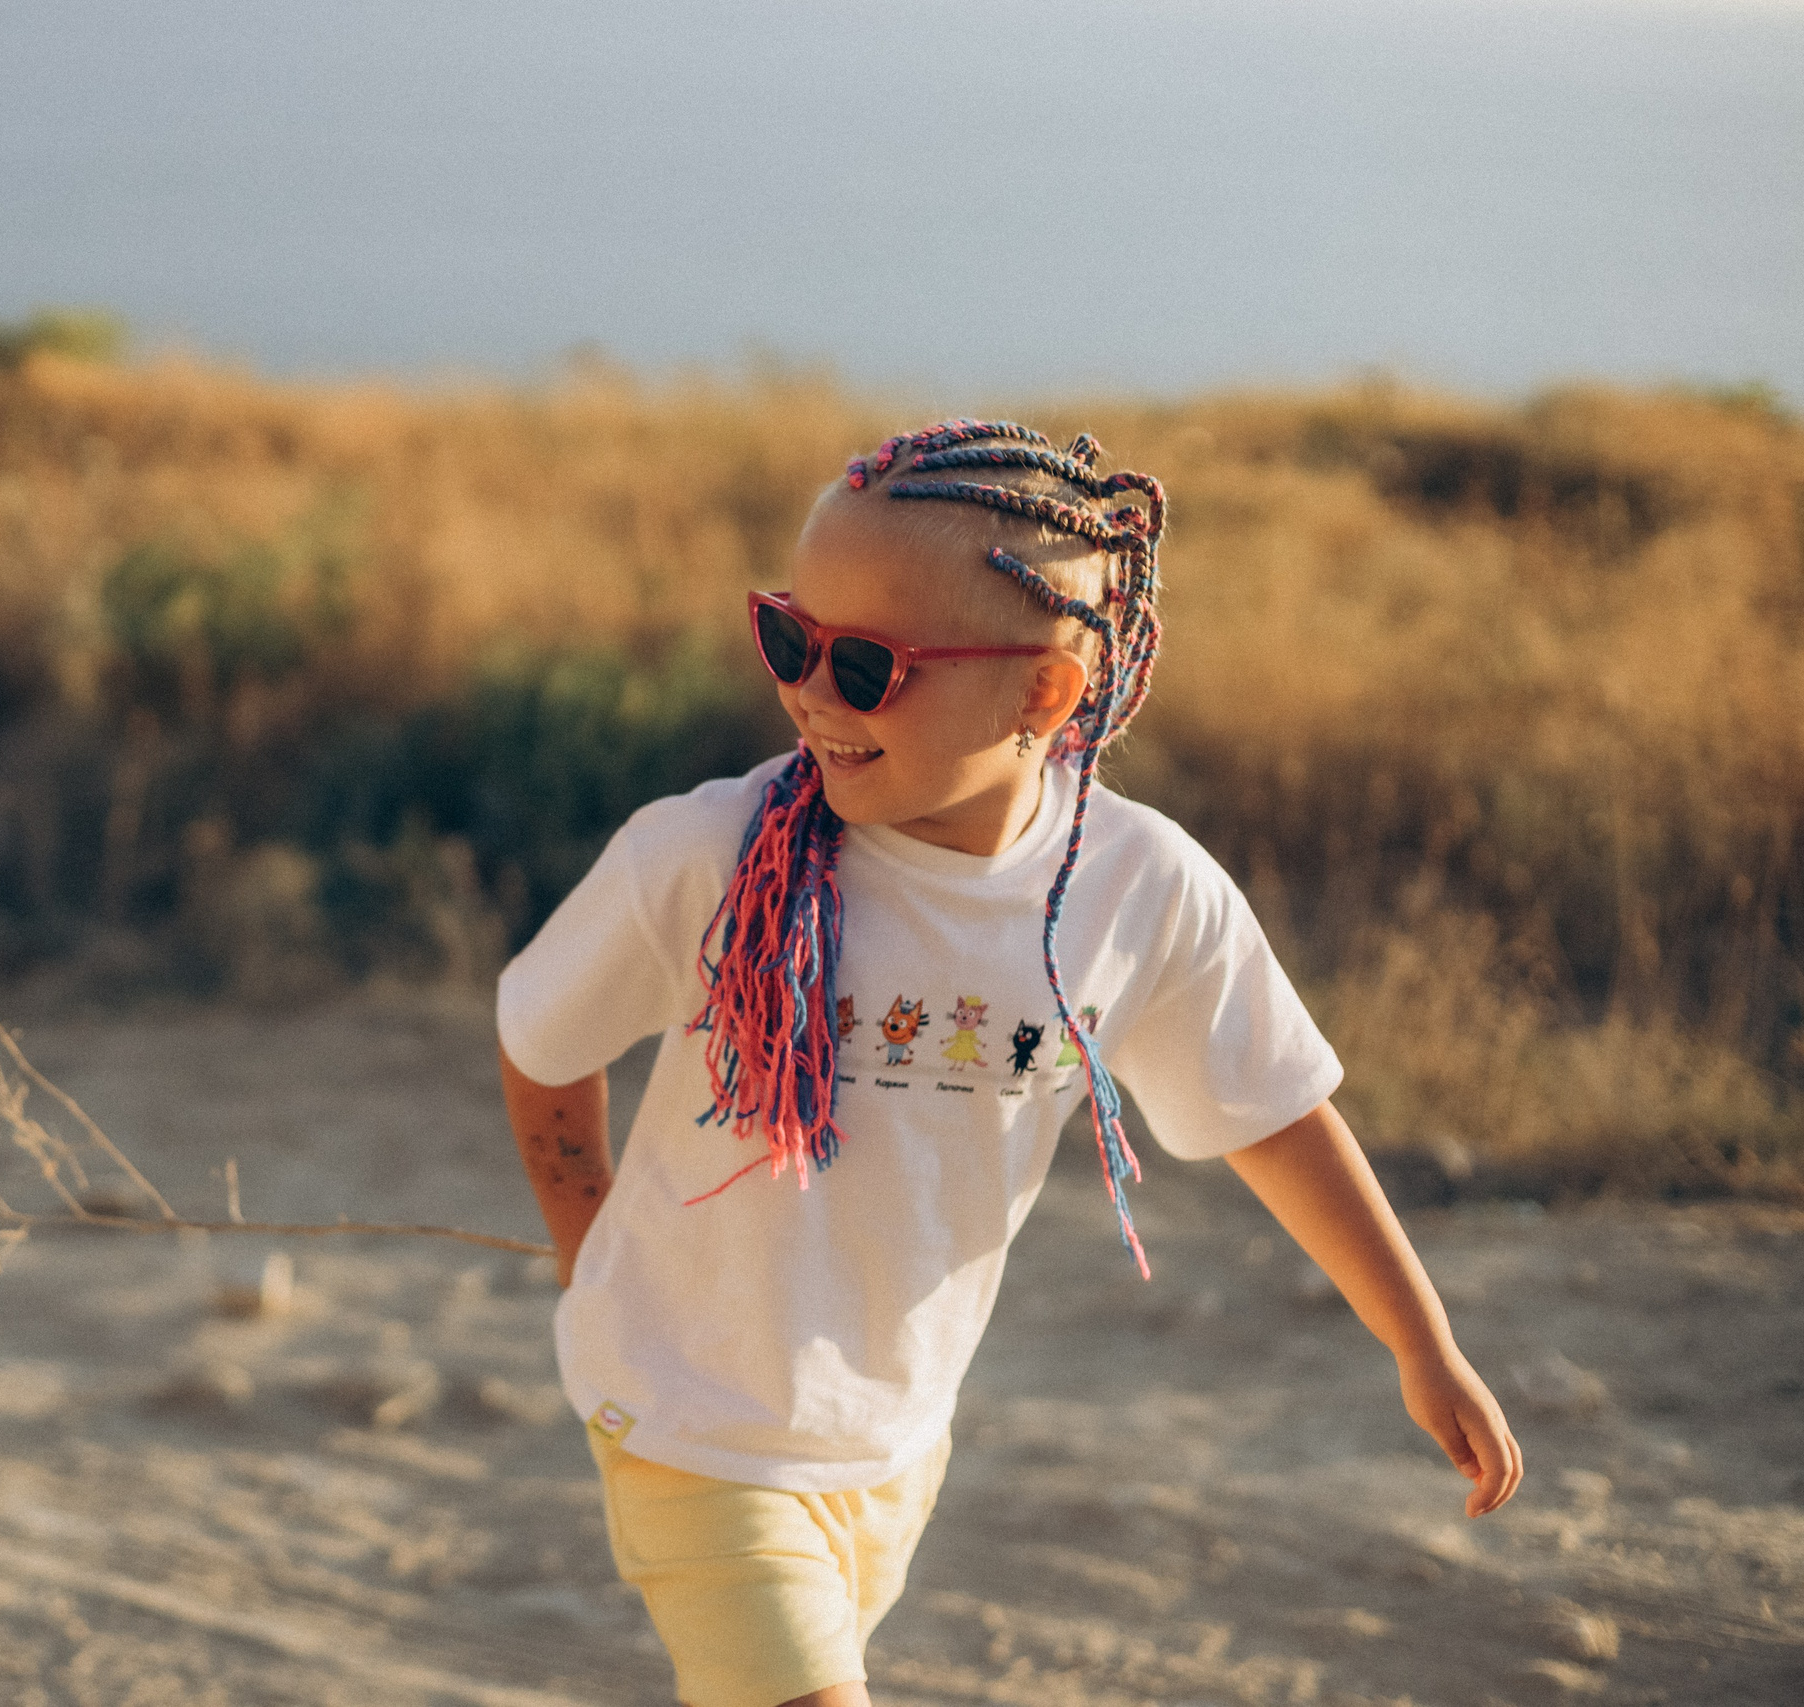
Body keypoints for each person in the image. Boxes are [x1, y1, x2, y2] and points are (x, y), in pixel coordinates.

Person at [494, 421, 1522, 1707]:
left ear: (1042, 692)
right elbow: (542, 1039)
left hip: (892, 1437)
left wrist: (1420, 1345)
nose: (810, 693)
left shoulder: (1136, 889)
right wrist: (587, 1247)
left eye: (866, 665)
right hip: (692, 1426)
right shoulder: (704, 856)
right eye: (787, 640)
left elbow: (1269, 1110)